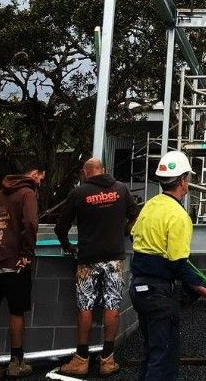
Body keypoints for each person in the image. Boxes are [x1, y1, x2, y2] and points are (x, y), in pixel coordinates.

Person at [129, 151, 206, 381]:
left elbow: (134, 237)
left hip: (139, 289)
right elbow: (179, 263)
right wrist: (202, 288)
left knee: (153, 353)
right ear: (183, 180)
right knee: (164, 360)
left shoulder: (150, 206)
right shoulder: (179, 216)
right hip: (158, 294)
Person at [54, 157, 141, 377]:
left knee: (85, 305)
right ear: (103, 170)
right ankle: (107, 359)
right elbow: (136, 217)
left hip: (88, 258)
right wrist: (123, 232)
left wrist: (67, 246)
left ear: (85, 172)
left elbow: (60, 226)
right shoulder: (121, 189)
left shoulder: (79, 193)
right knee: (112, 304)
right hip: (114, 258)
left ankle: (81, 359)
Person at [0, 161, 46, 381]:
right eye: (41, 177)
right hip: (15, 263)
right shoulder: (27, 193)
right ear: (34, 173)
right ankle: (16, 362)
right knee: (16, 311)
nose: (41, 182)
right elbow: (31, 223)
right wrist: (27, 254)